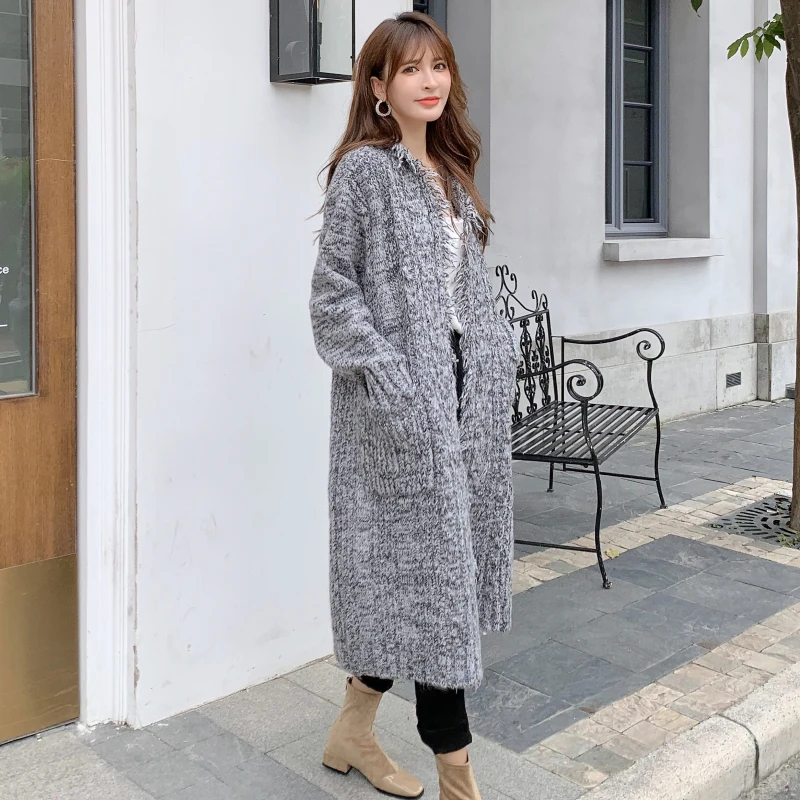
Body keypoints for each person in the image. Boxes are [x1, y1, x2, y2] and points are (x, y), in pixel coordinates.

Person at [308, 11, 518, 800]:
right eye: (410, 69)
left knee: (420, 585)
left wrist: (489, 368)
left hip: (464, 400)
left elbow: (465, 300)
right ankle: (459, 779)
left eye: (439, 66)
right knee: (435, 595)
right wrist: (396, 384)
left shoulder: (451, 174)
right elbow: (333, 300)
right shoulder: (365, 173)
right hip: (399, 413)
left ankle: (350, 734)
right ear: (378, 87)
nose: (431, 81)